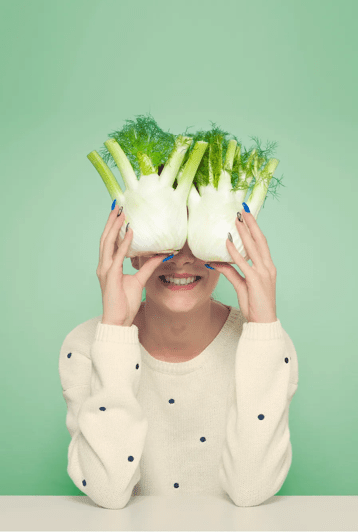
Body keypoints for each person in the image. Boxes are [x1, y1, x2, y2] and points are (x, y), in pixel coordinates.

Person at [58, 200, 299, 509]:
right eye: (167, 238)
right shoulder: (86, 344)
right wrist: (115, 330)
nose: (182, 260)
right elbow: (107, 492)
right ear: (130, 249)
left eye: (198, 238)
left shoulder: (269, 344)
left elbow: (251, 491)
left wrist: (263, 331)